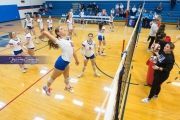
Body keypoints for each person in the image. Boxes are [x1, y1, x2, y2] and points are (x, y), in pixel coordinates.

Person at [39, 26, 79, 96]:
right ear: (58, 33)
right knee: (53, 78)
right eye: (61, 29)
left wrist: (76, 60)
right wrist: (40, 37)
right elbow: (45, 32)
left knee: (67, 76)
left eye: (63, 28)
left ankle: (67, 86)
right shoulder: (59, 41)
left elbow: (73, 51)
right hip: (61, 63)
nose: (64, 29)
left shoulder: (70, 40)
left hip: (67, 62)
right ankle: (46, 88)